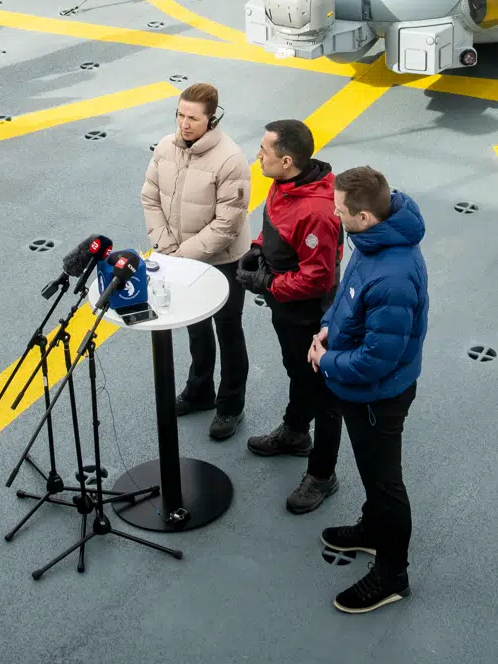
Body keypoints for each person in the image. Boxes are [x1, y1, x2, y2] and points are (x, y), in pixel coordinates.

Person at [308, 165, 427, 614]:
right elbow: (347, 298)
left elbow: (378, 359)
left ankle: (392, 575)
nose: (335, 216)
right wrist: (325, 329)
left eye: (341, 211)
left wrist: (326, 359)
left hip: (378, 396)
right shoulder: (374, 242)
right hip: (363, 388)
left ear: (364, 217)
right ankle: (374, 533)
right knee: (374, 477)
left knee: (384, 484)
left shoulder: (393, 277)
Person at [237, 119, 344, 514]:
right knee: (298, 373)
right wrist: (257, 248)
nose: (257, 156)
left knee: (325, 392)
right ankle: (297, 433)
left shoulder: (317, 211)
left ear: (286, 160)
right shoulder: (284, 183)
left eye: (263, 151)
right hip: (287, 309)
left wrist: (269, 284)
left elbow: (319, 277)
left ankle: (322, 474)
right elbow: (274, 225)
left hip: (310, 314)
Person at [141, 82, 252, 440]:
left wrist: (179, 255)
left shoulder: (231, 159)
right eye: (180, 114)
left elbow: (227, 224)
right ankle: (200, 391)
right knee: (195, 327)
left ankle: (230, 406)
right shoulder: (164, 148)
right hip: (180, 256)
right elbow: (151, 198)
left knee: (228, 330)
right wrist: (164, 243)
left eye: (192, 118)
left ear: (212, 119)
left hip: (223, 261)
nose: (184, 124)